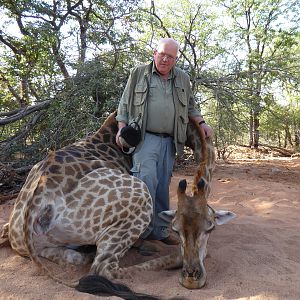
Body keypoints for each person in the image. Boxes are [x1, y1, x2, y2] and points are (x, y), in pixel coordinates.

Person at [115, 38, 213, 247]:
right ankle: (140, 234)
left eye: (171, 57)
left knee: (162, 186)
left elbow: (191, 107)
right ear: (154, 53)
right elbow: (124, 103)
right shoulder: (138, 73)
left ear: (176, 59)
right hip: (145, 139)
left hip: (170, 141)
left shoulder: (183, 78)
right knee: (146, 182)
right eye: (162, 54)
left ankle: (159, 232)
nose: (165, 59)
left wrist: (202, 123)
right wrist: (121, 128)